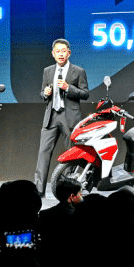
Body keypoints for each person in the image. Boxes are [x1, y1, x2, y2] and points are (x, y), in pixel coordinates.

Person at [34, 38, 88, 195]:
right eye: (57, 51)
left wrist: (68, 88)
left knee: (72, 153)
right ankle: (38, 190)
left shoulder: (78, 71)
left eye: (63, 51)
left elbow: (85, 93)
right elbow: (42, 93)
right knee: (43, 154)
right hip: (51, 116)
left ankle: (69, 190)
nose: (61, 54)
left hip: (69, 116)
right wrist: (45, 93)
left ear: (69, 53)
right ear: (53, 53)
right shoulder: (48, 71)